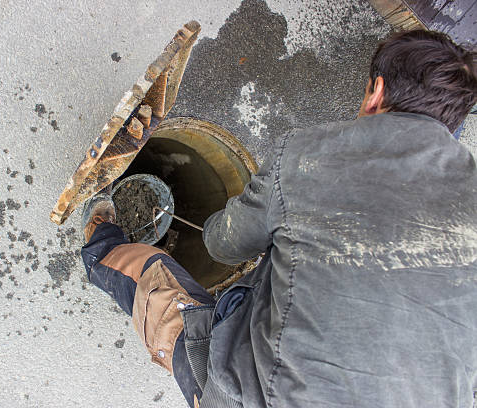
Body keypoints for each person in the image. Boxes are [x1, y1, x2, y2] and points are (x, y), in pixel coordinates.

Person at [81, 30, 477, 408]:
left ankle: (99, 238)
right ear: (454, 121)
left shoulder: (310, 157)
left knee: (153, 284)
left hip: (252, 396)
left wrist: (226, 230)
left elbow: (224, 243)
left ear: (376, 92)